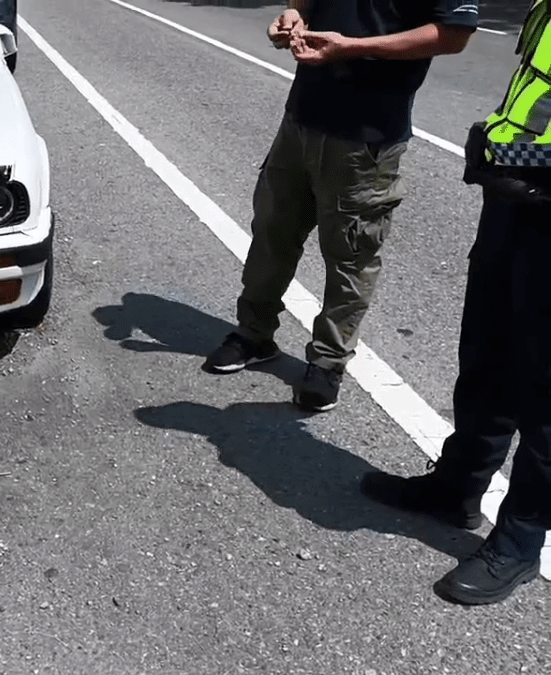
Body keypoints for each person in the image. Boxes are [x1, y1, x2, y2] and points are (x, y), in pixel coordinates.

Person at [361, 0, 551, 606]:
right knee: (488, 352)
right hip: (517, 198)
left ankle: (521, 541)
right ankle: (457, 487)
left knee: (544, 389)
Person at [202, 0, 477, 412]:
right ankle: (253, 333)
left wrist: (350, 46)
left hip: (367, 137)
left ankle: (327, 362)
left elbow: (453, 35)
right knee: (272, 232)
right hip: (300, 118)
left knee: (351, 256)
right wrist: (294, 16)